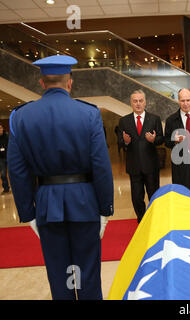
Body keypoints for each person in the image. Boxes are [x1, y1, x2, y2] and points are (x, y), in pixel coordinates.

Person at [7, 55, 114, 300]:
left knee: (59, 274)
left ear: (42, 83)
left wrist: (28, 213)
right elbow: (101, 165)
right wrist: (105, 209)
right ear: (69, 83)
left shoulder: (20, 117)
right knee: (88, 273)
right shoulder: (88, 114)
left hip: (47, 206)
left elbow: (18, 170)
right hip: (85, 204)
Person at [118, 90, 164, 223]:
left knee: (154, 195)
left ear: (145, 102)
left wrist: (154, 140)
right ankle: (142, 221)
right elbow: (120, 142)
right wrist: (125, 141)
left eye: (140, 101)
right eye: (135, 101)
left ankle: (155, 220)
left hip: (151, 165)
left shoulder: (154, 119)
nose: (138, 104)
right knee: (137, 197)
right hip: (134, 166)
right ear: (131, 103)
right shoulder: (124, 121)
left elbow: (161, 139)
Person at [0, 124, 10, 194]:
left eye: (0, 128)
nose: (0, 130)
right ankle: (6, 188)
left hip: (9, 157)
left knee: (13, 174)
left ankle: (17, 187)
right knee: (3, 174)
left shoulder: (7, 136)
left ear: (2, 128)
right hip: (1, 159)